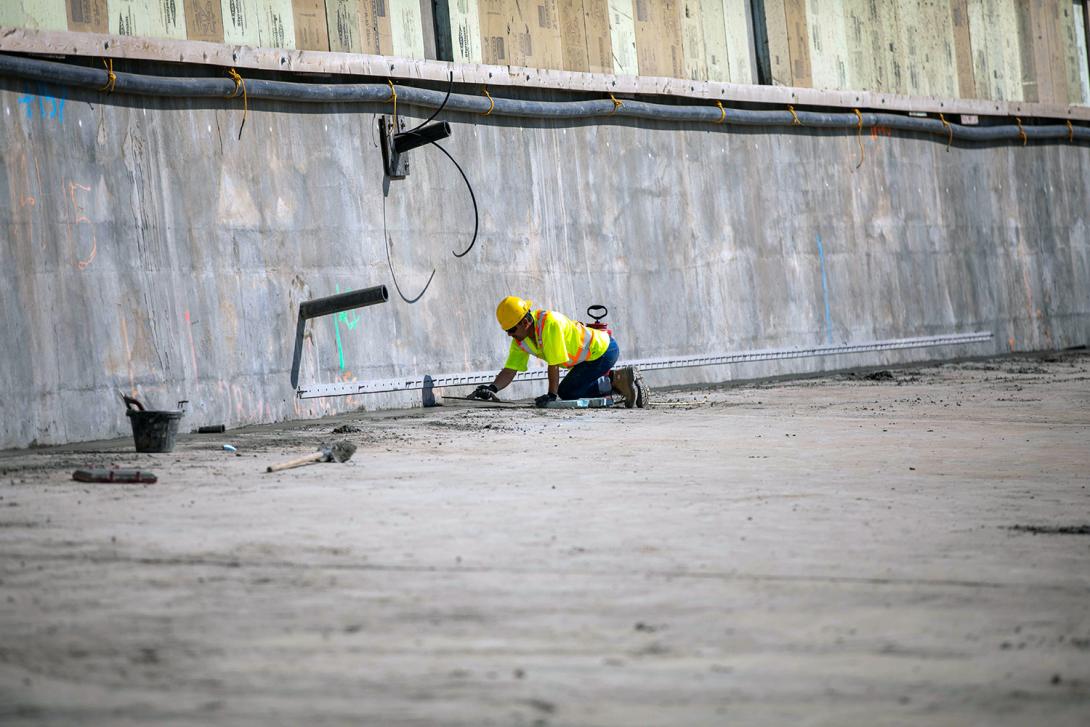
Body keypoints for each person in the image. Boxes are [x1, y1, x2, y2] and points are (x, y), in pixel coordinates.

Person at [469, 296, 649, 408]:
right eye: (507, 331)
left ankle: (617, 381)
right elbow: (510, 370)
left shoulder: (549, 324)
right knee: (569, 390)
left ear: (525, 323)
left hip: (604, 350)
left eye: (512, 330)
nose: (509, 335)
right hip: (588, 357)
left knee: (568, 392)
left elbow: (553, 364)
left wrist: (551, 396)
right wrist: (491, 388)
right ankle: (617, 381)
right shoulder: (520, 339)